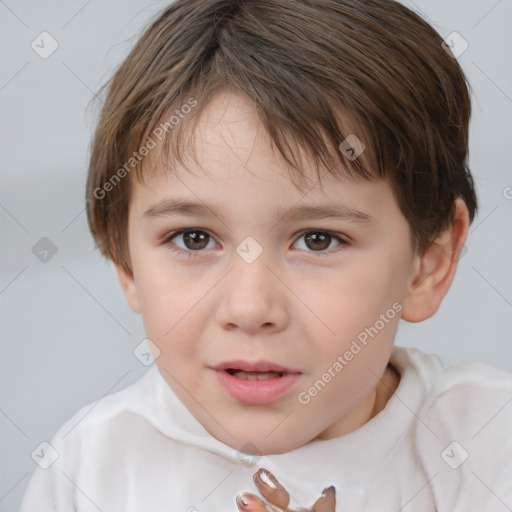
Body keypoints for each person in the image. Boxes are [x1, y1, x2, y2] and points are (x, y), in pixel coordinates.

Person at [21, 0, 512, 510]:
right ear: (126, 263)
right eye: (193, 239)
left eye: (318, 239)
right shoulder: (91, 469)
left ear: (427, 264)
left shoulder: (489, 448)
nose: (250, 308)